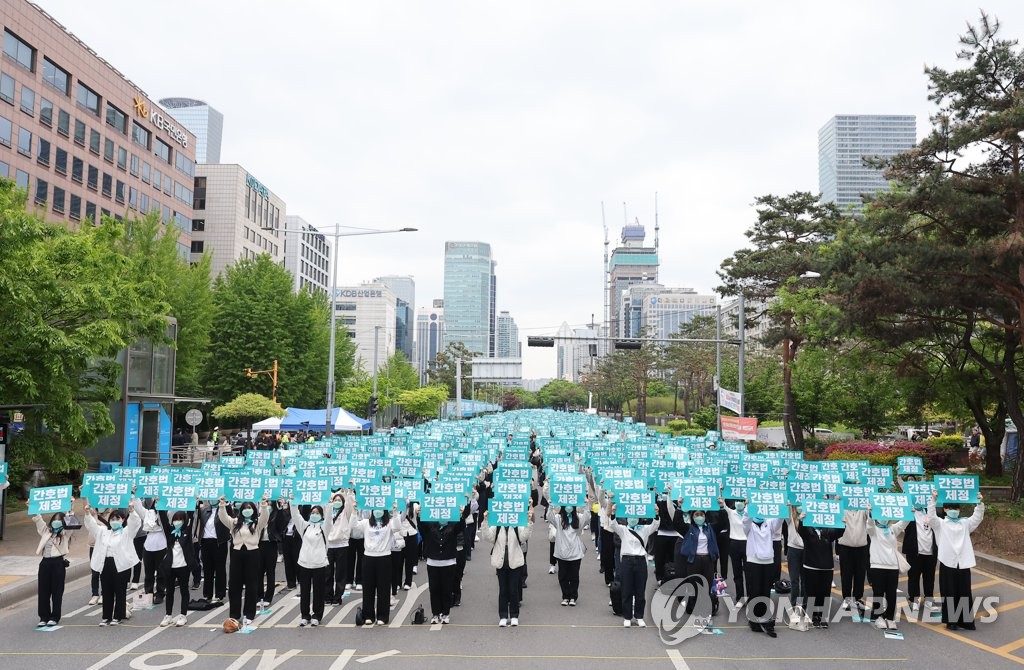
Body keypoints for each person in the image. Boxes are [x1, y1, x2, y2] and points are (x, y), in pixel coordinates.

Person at [929, 490, 985, 631]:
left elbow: (977, 518)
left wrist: (979, 503)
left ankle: (966, 621)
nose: (953, 511)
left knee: (964, 591)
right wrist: (933, 499)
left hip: (963, 562)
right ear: (945, 509)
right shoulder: (940, 524)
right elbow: (931, 517)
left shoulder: (965, 523)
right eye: (950, 508)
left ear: (959, 509)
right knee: (949, 592)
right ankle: (951, 621)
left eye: (956, 508)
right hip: (947, 562)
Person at [84, 498, 142, 626]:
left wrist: (132, 510)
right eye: (112, 519)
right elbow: (92, 526)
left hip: (121, 565)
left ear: (122, 520)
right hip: (106, 564)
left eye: (118, 519)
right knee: (107, 590)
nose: (115, 521)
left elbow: (135, 523)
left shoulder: (126, 532)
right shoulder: (104, 531)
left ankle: (118, 616)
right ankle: (106, 617)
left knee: (120, 591)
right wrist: (88, 513)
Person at [218, 495, 271, 629]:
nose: (247, 510)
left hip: (252, 553)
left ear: (253, 509)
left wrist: (264, 505)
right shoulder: (235, 522)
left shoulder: (257, 523)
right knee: (234, 585)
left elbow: (265, 518)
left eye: (249, 508)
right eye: (245, 508)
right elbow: (223, 517)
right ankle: (234, 614)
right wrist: (222, 504)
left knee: (251, 585)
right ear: (240, 510)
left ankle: (249, 614)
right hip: (236, 553)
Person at [608, 499, 660, 627]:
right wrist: (613, 512)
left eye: (636, 516)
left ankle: (639, 616)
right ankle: (627, 616)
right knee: (626, 590)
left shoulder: (645, 529)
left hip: (641, 560)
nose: (633, 519)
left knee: (640, 591)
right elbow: (613, 524)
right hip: (627, 560)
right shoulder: (623, 529)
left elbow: (655, 525)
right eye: (631, 516)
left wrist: (657, 513)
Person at [482, 501, 534, 627]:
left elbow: (523, 537)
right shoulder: (497, 525)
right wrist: (485, 521)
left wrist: (528, 522)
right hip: (500, 562)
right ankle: (503, 615)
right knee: (503, 590)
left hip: (515, 561)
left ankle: (515, 615)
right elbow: (488, 537)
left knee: (514, 589)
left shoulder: (516, 524)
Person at [352, 502, 403, 626]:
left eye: (380, 509)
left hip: (384, 557)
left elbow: (397, 527)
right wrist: (354, 511)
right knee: (368, 588)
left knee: (383, 588)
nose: (377, 511)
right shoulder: (366, 522)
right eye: (375, 509)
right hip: (369, 557)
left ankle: (383, 616)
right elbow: (353, 526)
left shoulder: (389, 523)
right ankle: (368, 615)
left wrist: (395, 512)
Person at [795, 510, 844, 629]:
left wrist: (843, 524)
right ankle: (813, 615)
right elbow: (801, 531)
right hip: (810, 567)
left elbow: (839, 532)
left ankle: (823, 618)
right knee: (812, 592)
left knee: (824, 593)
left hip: (826, 568)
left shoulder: (828, 532)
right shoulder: (808, 531)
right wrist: (801, 520)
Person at [419, 507, 466, 624]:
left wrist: (460, 514)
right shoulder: (430, 526)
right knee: (434, 589)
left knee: (447, 589)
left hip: (449, 562)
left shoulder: (452, 526)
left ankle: (445, 613)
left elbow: (461, 526)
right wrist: (419, 514)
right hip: (432, 562)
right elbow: (421, 527)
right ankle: (435, 614)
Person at [742, 507, 783, 637]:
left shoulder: (769, 522)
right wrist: (749, 507)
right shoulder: (749, 526)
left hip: (768, 561)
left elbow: (778, 522)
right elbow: (745, 520)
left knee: (765, 591)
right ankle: (753, 621)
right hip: (753, 561)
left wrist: (783, 507)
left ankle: (764, 618)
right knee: (754, 591)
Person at [292, 500, 334, 627]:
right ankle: (305, 616)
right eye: (312, 512)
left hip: (319, 564)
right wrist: (293, 502)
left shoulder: (324, 528)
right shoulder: (304, 526)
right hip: (304, 564)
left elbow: (329, 519)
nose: (314, 514)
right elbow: (295, 515)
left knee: (318, 592)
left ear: (321, 516)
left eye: (317, 513)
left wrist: (329, 505)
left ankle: (317, 615)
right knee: (304, 592)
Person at [157, 503, 198, 627]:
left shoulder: (187, 532)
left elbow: (191, 516)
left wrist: (194, 504)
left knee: (184, 591)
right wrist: (160, 504)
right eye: (175, 520)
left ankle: (183, 615)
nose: (177, 522)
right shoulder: (169, 532)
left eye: (180, 520)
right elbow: (163, 519)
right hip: (170, 566)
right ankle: (168, 615)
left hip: (184, 566)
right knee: (169, 591)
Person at [865, 510, 907, 631]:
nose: (884, 519)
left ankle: (890, 618)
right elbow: (869, 524)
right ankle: (878, 617)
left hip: (892, 567)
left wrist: (910, 511)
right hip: (877, 566)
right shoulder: (873, 531)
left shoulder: (893, 528)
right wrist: (871, 514)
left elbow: (904, 522)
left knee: (891, 594)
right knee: (878, 593)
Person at [676, 501, 719, 617]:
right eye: (696, 515)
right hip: (693, 560)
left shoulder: (710, 528)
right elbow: (676, 523)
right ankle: (695, 611)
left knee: (707, 586)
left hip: (708, 560)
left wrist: (721, 506)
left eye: (701, 515)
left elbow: (723, 522)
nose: (699, 517)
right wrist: (679, 507)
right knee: (694, 586)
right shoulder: (688, 529)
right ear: (692, 516)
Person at [34, 507, 74, 627]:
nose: (56, 522)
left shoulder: (65, 533)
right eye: (54, 520)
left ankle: (55, 616)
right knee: (43, 591)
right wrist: (33, 507)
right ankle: (43, 617)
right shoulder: (47, 531)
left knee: (57, 591)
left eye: (59, 520)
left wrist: (70, 509)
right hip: (45, 563)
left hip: (58, 564)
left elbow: (71, 524)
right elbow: (39, 522)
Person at [903, 496, 939, 612]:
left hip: (931, 551)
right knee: (913, 577)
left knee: (929, 577)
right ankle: (914, 600)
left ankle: (929, 600)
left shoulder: (930, 512)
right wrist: (908, 511)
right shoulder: (909, 512)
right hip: (914, 552)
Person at [546, 504, 585, 606]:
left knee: (574, 576)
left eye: (571, 505)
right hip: (562, 553)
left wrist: (586, 505)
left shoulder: (578, 518)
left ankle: (573, 597)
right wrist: (550, 506)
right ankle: (565, 596)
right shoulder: (559, 519)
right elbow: (549, 517)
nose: (569, 507)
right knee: (562, 576)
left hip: (575, 552)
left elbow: (587, 518)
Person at [837, 496, 870, 612]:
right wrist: (837, 502)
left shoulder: (863, 508)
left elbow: (870, 516)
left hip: (861, 546)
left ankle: (858, 599)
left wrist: (869, 506)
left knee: (860, 574)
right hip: (845, 546)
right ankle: (846, 599)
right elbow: (834, 514)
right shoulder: (842, 507)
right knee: (846, 574)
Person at [194, 497, 229, 606]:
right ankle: (207, 594)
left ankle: (220, 594)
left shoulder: (223, 510)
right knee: (207, 569)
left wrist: (224, 503)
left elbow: (230, 516)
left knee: (219, 569)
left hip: (219, 542)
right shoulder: (205, 510)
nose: (213, 500)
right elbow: (195, 516)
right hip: (205, 542)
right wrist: (196, 503)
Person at [133, 497, 167, 605]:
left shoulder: (165, 513)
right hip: (148, 544)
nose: (156, 504)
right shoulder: (148, 513)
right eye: (155, 502)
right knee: (148, 572)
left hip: (161, 542)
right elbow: (138, 507)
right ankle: (148, 593)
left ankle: (160, 593)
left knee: (161, 571)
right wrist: (134, 495)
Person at [325, 492, 355, 605]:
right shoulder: (328, 511)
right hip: (328, 545)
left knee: (340, 574)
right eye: (335, 500)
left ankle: (338, 597)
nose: (337, 502)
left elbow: (349, 503)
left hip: (342, 545)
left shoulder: (345, 513)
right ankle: (327, 597)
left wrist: (350, 491)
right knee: (327, 574)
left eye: (339, 500)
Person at [257, 497, 284, 609]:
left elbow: (281, 524)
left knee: (270, 572)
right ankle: (259, 597)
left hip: (271, 544)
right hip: (258, 545)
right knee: (258, 572)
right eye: (265, 502)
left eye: (269, 502)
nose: (267, 504)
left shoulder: (276, 514)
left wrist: (280, 508)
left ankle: (268, 597)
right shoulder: (258, 514)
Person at [723, 499, 749, 606]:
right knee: (737, 573)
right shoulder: (731, 512)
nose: (739, 503)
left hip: (747, 544)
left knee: (749, 573)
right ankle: (740, 597)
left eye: (741, 501)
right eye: (737, 501)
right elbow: (723, 504)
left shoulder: (748, 512)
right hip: (734, 544)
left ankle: (751, 596)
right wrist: (720, 490)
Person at [654, 493, 681, 584]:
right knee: (660, 558)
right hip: (661, 532)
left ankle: (675, 577)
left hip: (676, 532)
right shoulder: (656, 494)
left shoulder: (678, 492)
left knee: (675, 559)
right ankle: (660, 577)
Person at [785, 503, 805, 613]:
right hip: (793, 550)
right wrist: (788, 504)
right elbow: (785, 511)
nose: (799, 506)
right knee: (794, 580)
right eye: (797, 504)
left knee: (805, 580)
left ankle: (804, 605)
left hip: (806, 550)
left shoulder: (808, 515)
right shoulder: (790, 518)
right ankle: (793, 605)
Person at [279, 499, 301, 591]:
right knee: (288, 560)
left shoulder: (301, 508)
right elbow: (280, 520)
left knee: (297, 559)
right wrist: (282, 506)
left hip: (297, 537)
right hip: (286, 536)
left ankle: (300, 581)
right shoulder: (284, 509)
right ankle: (291, 583)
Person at [400, 501, 420, 590]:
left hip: (412, 535)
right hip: (400, 535)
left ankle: (408, 582)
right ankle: (397, 582)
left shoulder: (414, 505)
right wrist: (404, 506)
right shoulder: (397, 503)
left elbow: (419, 510)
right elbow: (400, 518)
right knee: (399, 561)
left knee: (409, 560)